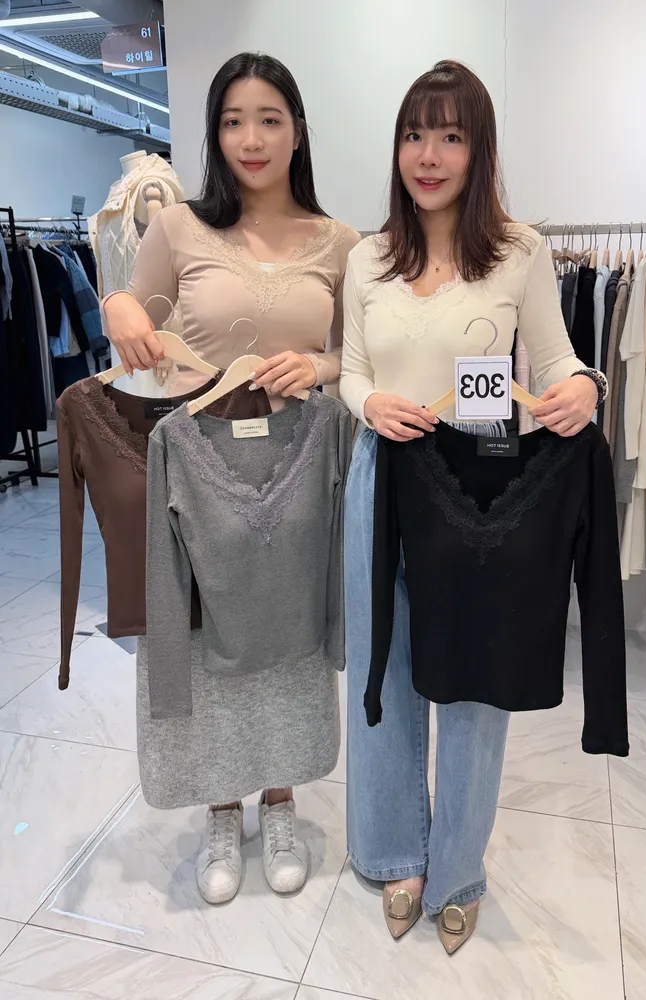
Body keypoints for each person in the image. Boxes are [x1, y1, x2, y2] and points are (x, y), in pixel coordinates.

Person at [340, 60, 605, 953]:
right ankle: (394, 851)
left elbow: (558, 358)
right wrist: (368, 403)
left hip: (480, 477)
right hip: (385, 471)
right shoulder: (367, 256)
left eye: (451, 136)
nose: (429, 155)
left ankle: (457, 866)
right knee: (385, 666)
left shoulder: (519, 251)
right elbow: (351, 370)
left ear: (478, 149)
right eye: (415, 134)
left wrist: (585, 386)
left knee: (475, 679)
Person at [103, 52, 359, 905]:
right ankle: (222, 807)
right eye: (232, 121)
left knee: (288, 639)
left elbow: (360, 355)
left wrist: (319, 368)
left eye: (269, 119)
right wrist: (121, 306)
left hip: (299, 463)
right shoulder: (179, 228)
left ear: (298, 132)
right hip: (203, 463)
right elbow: (133, 310)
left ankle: (279, 801)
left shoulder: (341, 243)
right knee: (207, 639)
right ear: (215, 135)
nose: (251, 138)